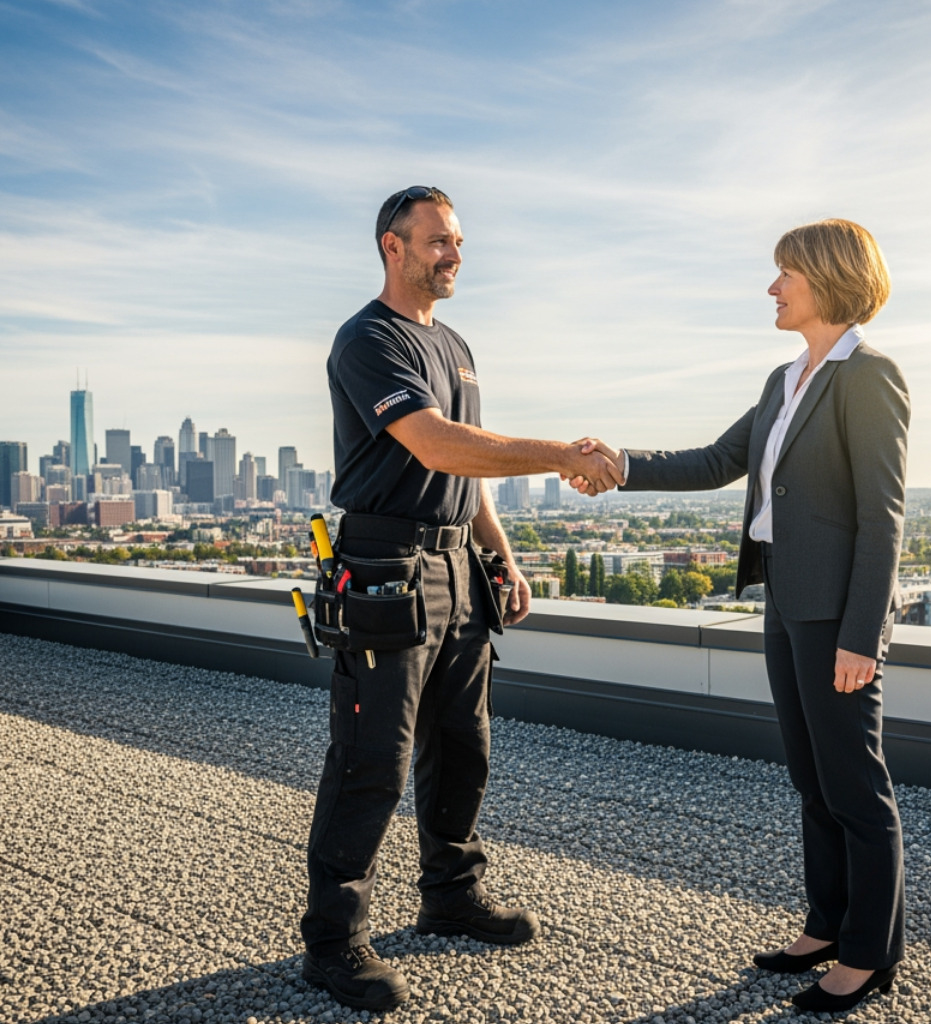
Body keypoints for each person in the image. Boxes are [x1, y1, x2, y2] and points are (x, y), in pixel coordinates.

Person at [302, 185, 624, 1011]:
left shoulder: (457, 346)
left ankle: (449, 894)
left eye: (458, 242)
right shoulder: (367, 340)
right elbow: (435, 442)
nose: (453, 254)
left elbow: (466, 467)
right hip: (384, 567)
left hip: (457, 571)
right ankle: (334, 942)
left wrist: (503, 560)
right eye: (438, 241)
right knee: (372, 761)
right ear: (392, 247)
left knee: (463, 744)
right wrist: (563, 453)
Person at [577, 219, 909, 1013]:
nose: (772, 288)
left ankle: (870, 953)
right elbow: (718, 462)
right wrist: (619, 465)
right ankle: (826, 924)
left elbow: (883, 518)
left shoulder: (869, 375)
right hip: (785, 605)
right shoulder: (783, 379)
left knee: (855, 785)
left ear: (825, 277)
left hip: (836, 620)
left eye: (783, 273)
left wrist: (863, 636)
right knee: (811, 776)